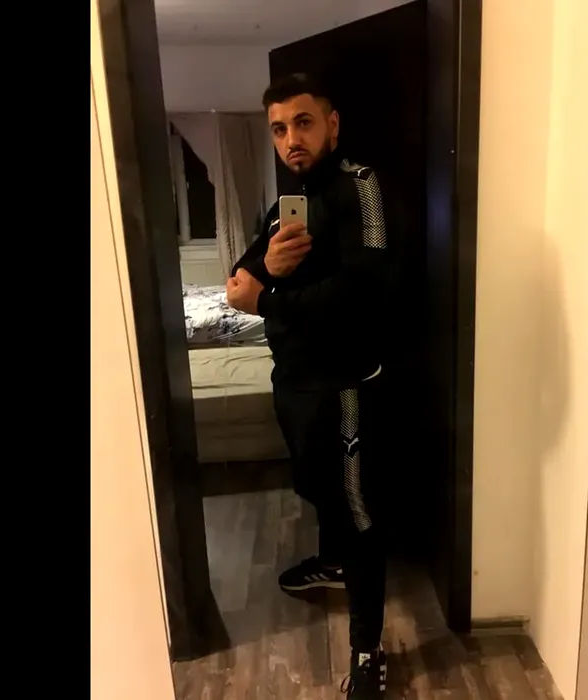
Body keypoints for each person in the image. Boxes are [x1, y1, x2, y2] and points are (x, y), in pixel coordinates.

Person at [225, 73, 394, 699]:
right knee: (315, 487)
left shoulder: (360, 185)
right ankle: (332, 563)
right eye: (278, 129)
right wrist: (267, 268)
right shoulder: (285, 205)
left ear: (332, 124)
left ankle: (369, 650)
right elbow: (237, 282)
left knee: (358, 512)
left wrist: (269, 297)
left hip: (344, 385)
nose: (290, 139)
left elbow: (364, 287)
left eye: (302, 122)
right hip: (291, 381)